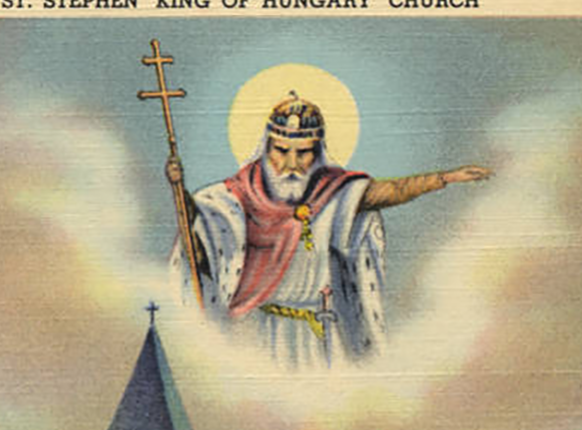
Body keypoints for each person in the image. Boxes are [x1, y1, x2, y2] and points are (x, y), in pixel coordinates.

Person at [166, 92, 491, 367]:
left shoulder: (335, 193)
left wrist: (444, 178)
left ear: (318, 152)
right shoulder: (234, 198)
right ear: (266, 148)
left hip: (322, 338)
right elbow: (202, 252)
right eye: (281, 151)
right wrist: (181, 195)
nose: (291, 164)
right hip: (258, 336)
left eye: (303, 153)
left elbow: (391, 192)